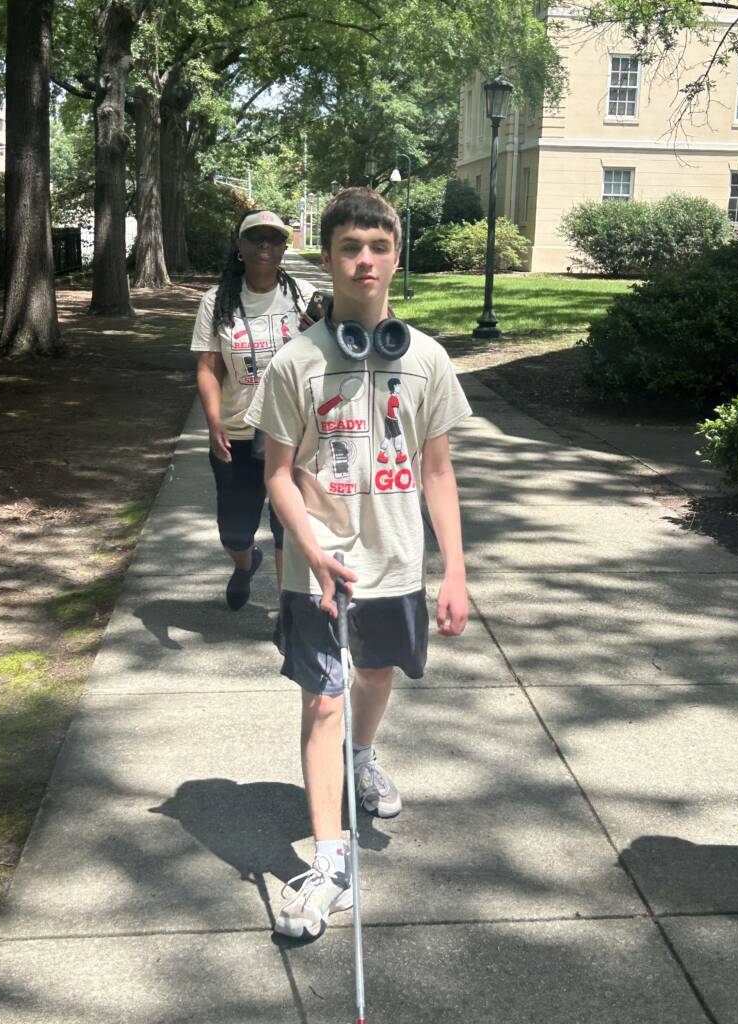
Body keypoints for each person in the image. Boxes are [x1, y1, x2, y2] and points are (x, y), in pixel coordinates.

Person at [245, 188, 471, 940]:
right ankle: (330, 862)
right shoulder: (295, 363)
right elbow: (275, 471)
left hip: (398, 561)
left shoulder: (428, 360)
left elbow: (438, 473)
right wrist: (305, 544)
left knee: (374, 678)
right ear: (332, 257)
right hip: (321, 565)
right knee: (323, 700)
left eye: (378, 247)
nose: (364, 260)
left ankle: (364, 758)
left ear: (395, 257)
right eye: (350, 247)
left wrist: (457, 572)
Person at [190, 210, 317, 609]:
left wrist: (322, 328)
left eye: (274, 239)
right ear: (240, 248)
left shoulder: (304, 296)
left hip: (294, 435)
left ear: (284, 247)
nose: (265, 246)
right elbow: (209, 367)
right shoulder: (217, 302)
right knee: (234, 533)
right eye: (255, 239)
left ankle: (287, 616)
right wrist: (213, 423)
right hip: (238, 434)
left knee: (289, 531)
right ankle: (244, 564)